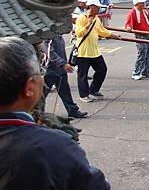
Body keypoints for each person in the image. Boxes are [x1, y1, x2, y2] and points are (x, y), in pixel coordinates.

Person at [0, 37, 110, 189]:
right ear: (30, 87)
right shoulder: (53, 147)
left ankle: (72, 108)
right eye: (40, 72)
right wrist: (58, 141)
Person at [74, 0, 120, 102]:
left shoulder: (96, 18)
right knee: (83, 75)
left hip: (94, 51)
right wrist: (88, 24)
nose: (99, 9)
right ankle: (84, 95)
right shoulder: (81, 18)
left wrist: (113, 35)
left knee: (102, 69)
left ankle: (93, 90)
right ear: (91, 7)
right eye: (97, 7)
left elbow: (101, 30)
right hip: (83, 52)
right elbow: (78, 33)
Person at [42, 35, 88, 118]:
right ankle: (36, 112)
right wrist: (63, 64)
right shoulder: (48, 36)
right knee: (42, 93)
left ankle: (72, 110)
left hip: (60, 69)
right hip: (49, 70)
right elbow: (49, 52)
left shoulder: (58, 35)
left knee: (65, 91)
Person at [125, 0, 149, 80]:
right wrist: (128, 28)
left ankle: (146, 71)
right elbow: (128, 24)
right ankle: (136, 72)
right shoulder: (133, 12)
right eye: (142, 3)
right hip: (140, 35)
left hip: (147, 34)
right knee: (141, 54)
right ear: (137, 4)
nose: (144, 4)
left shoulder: (143, 11)